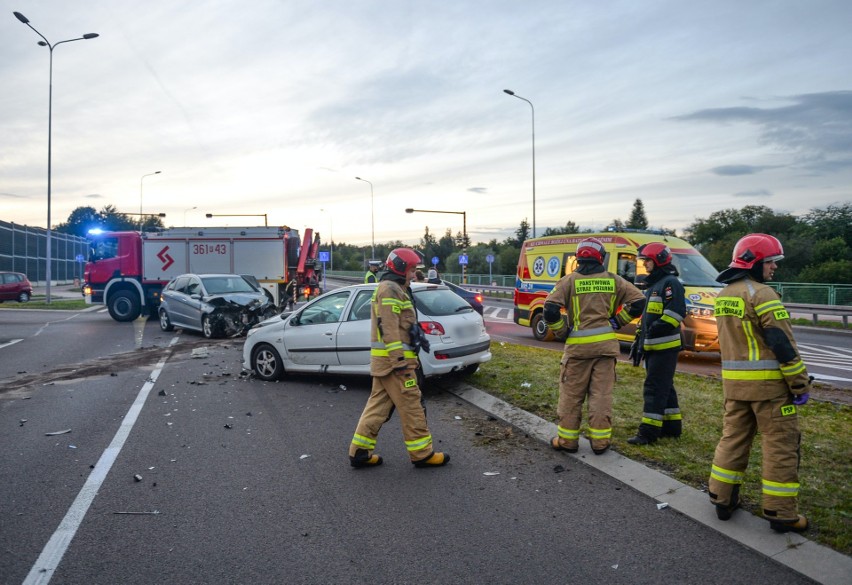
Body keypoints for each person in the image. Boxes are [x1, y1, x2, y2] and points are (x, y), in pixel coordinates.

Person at [708, 234, 812, 533]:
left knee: (733, 440)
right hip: (769, 390)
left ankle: (721, 498)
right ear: (754, 263)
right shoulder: (763, 295)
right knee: (780, 445)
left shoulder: (725, 295)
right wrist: (800, 384)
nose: (774, 268)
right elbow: (782, 344)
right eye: (770, 262)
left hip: (735, 386)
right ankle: (781, 513)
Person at [348, 248, 450, 469]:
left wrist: (416, 334)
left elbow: (398, 324)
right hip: (395, 365)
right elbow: (390, 329)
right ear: (401, 267)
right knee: (412, 404)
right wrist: (400, 362)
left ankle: (360, 452)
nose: (414, 275)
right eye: (412, 270)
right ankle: (422, 454)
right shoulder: (391, 290)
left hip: (385, 364)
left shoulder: (395, 288)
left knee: (377, 408)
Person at [544, 237, 646, 455]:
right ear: (601, 257)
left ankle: (567, 442)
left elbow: (550, 310)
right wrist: (618, 321)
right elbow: (639, 302)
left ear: (578, 257)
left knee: (571, 396)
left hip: (578, 351)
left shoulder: (568, 281)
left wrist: (563, 331)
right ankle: (600, 443)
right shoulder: (614, 280)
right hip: (606, 349)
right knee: (601, 396)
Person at [627, 242, 686, 445]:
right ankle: (671, 428)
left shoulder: (671, 283)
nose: (645, 265)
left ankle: (648, 433)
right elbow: (646, 318)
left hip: (664, 348)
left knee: (654, 388)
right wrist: (640, 338)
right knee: (665, 387)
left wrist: (653, 330)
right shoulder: (654, 285)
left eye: (647, 261)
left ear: (659, 260)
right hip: (653, 347)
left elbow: (675, 314)